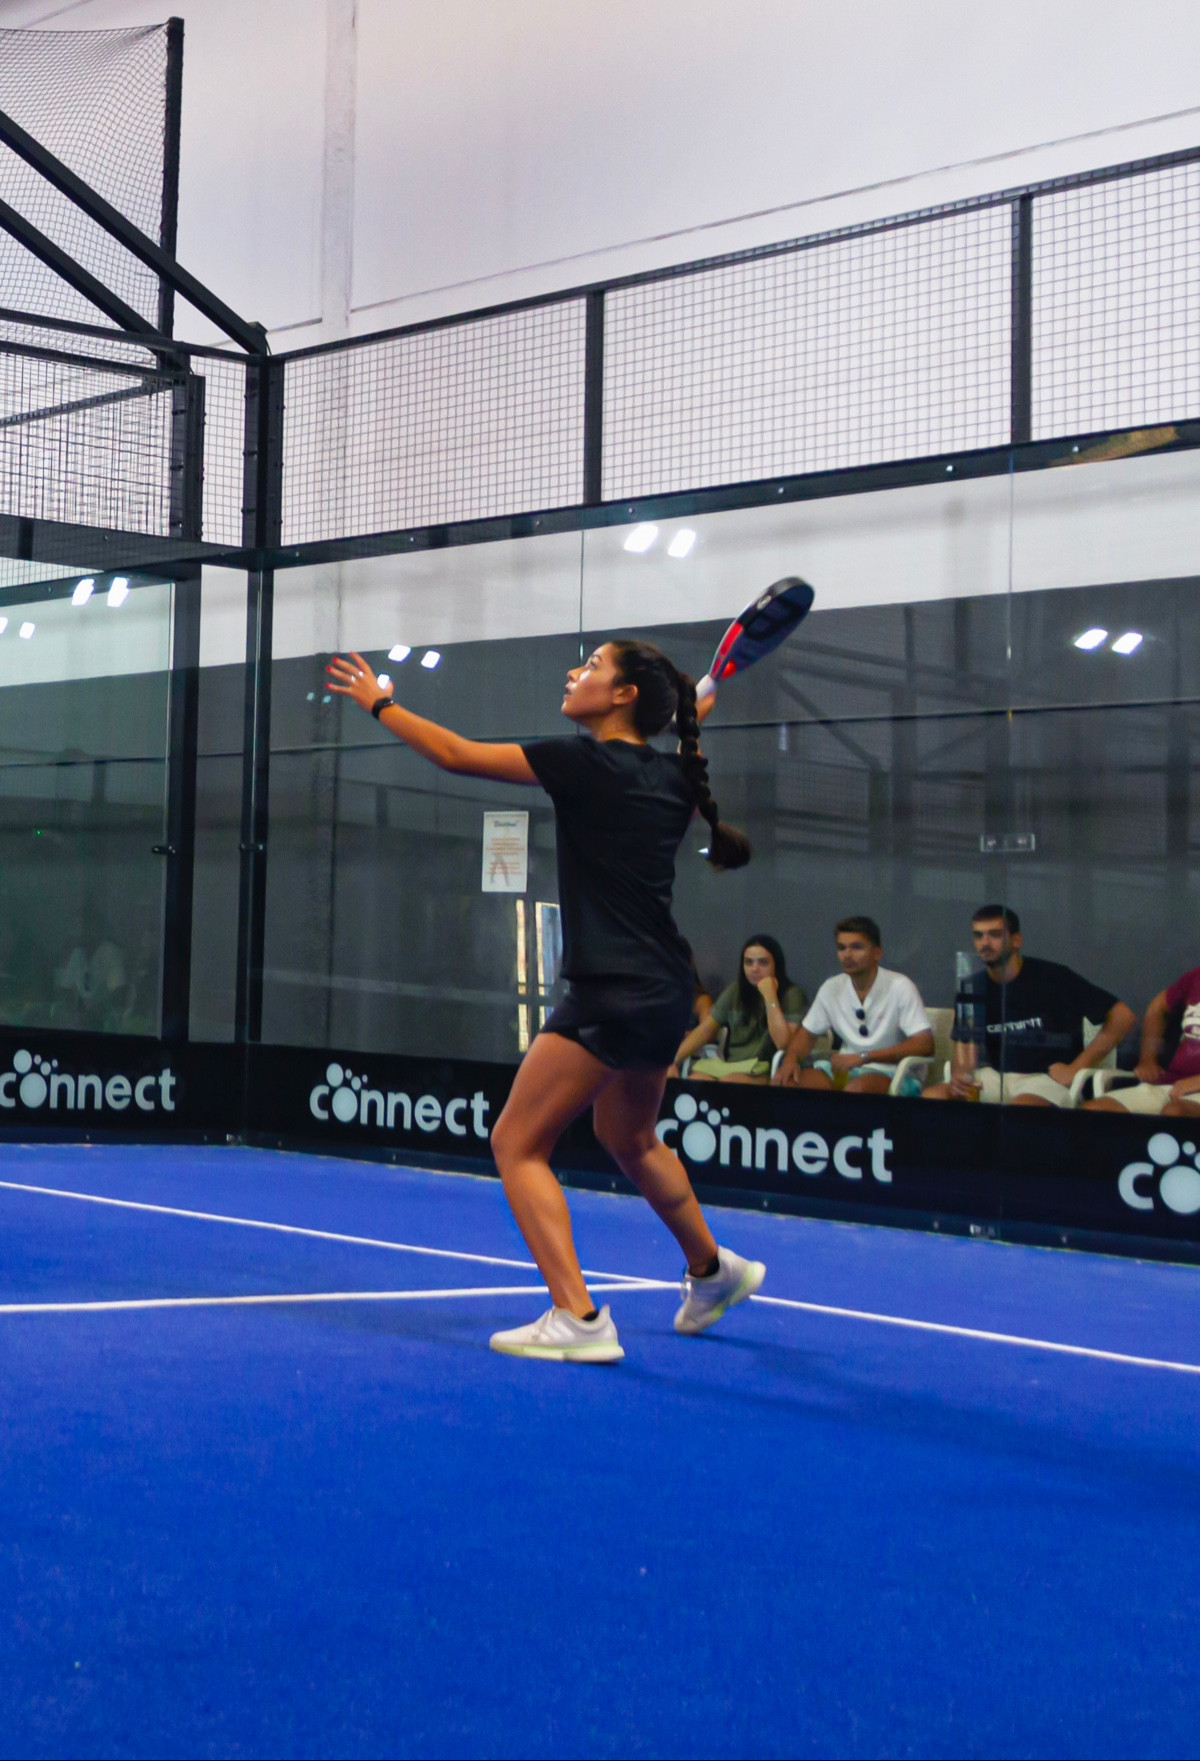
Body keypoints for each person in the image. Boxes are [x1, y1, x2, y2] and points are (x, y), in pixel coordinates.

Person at [326, 640, 766, 1365]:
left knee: (516, 1142)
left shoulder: (583, 762)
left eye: (592, 666)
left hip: (611, 989)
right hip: (665, 989)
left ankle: (578, 1316)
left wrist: (381, 703)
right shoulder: (676, 775)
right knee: (629, 1136)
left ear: (624, 695)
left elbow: (455, 754)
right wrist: (687, 706)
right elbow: (672, 729)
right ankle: (713, 1269)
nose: (573, 672)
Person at [923, 904, 1136, 1107]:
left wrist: (1076, 1068)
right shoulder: (971, 986)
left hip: (1044, 1080)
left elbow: (1122, 1016)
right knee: (933, 1097)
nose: (985, 942)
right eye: (978, 935)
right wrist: (961, 1076)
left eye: (995, 934)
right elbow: (965, 1047)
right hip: (994, 1077)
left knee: (1021, 1110)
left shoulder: (1055, 978)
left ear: (1016, 940)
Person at [774, 916, 933, 1094]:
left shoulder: (900, 986)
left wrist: (864, 1057)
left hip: (894, 1073)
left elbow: (924, 1045)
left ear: (877, 953)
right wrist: (791, 1060)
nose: (847, 955)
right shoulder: (831, 987)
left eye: (857, 947)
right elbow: (806, 1034)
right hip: (844, 1070)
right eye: (842, 948)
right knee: (787, 1083)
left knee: (855, 1091)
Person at [670, 934, 805, 1083]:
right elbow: (705, 1030)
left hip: (767, 1069)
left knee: (730, 1081)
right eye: (748, 962)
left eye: (763, 962)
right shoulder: (735, 991)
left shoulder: (792, 995)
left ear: (776, 965)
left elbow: (783, 1044)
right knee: (697, 1079)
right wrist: (671, 1060)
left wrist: (770, 996)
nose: (755, 968)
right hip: (732, 1065)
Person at [1082, 968, 1200, 1116]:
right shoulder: (1196, 977)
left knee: (1174, 1112)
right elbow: (1156, 1009)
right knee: (1094, 1110)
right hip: (1171, 1085)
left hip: (1189, 1097)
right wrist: (1147, 1060)